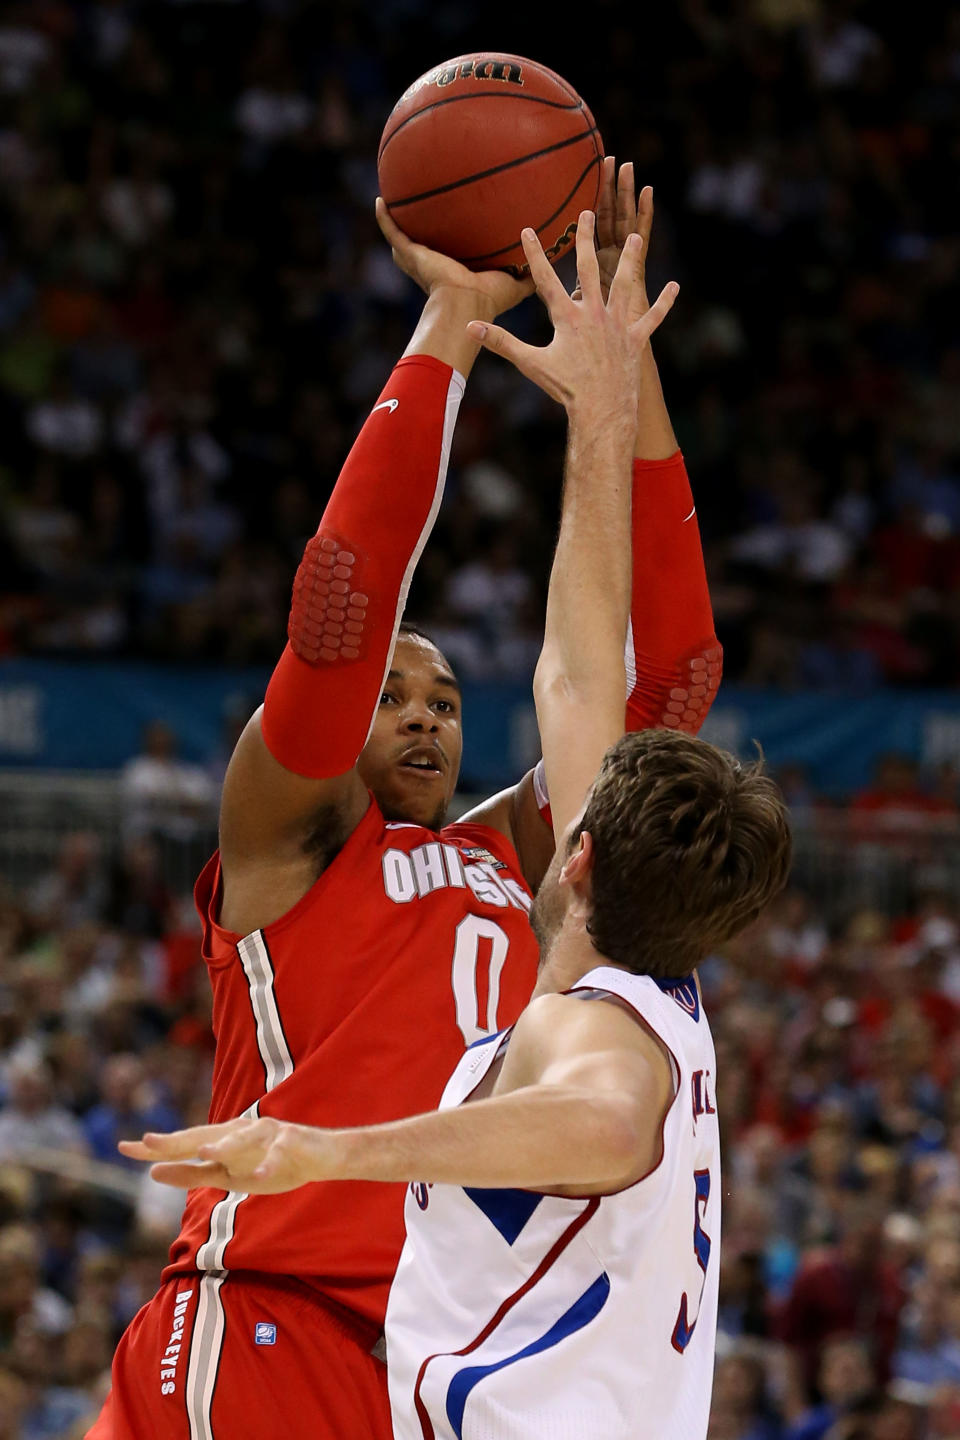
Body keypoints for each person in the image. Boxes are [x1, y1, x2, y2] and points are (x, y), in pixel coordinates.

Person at [123, 221, 792, 1439]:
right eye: (399, 695)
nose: (425, 715)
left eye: (446, 700)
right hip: (279, 1309)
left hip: (434, 1360)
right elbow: (340, 615)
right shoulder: (292, 843)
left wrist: (623, 372)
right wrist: (454, 323)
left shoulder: (533, 872)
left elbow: (663, 688)